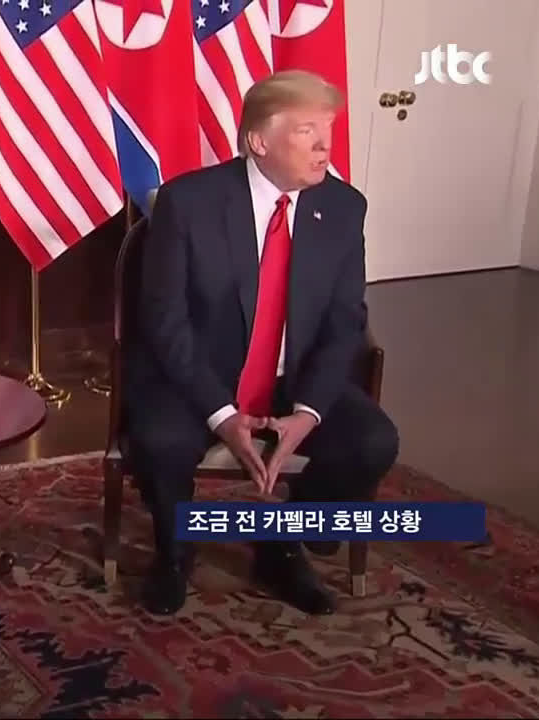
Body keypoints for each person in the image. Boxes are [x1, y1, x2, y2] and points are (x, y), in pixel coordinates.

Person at [124, 70, 399, 617]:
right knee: (159, 440)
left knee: (372, 441)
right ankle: (174, 552)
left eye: (328, 129)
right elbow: (165, 322)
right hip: (200, 376)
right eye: (306, 131)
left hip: (290, 379)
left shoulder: (343, 208)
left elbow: (345, 322)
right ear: (259, 141)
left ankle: (283, 541)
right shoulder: (188, 202)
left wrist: (310, 412)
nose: (325, 146)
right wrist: (222, 414)